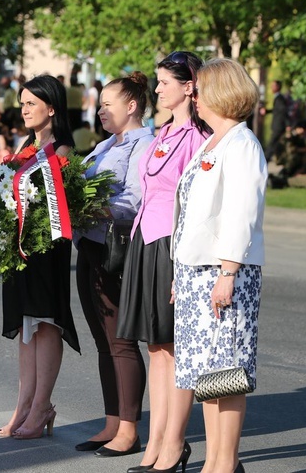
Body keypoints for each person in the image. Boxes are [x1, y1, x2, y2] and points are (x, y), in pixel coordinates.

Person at [116, 51, 210, 473]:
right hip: (145, 241)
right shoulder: (163, 133)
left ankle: (174, 444)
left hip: (174, 244)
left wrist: (186, 260)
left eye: (164, 82)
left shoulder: (199, 138)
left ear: (189, 86)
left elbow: (196, 203)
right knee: (155, 347)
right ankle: (155, 442)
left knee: (175, 348)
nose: (156, 89)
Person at [172, 58, 266, 473]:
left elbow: (241, 212)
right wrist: (181, 274)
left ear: (219, 92)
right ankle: (214, 461)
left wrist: (227, 273)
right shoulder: (214, 142)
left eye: (198, 87)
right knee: (207, 377)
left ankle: (224, 465)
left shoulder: (242, 143)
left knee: (226, 372)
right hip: (197, 273)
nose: (193, 94)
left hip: (223, 273)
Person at [73, 72, 152, 457]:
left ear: (131, 106)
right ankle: (110, 422)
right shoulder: (105, 145)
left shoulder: (144, 144)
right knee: (103, 342)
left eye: (108, 103)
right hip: (88, 247)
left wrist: (90, 206)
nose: (101, 109)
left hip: (114, 250)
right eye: (100, 103)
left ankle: (129, 430)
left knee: (121, 342)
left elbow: (136, 200)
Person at [0, 74, 80, 440]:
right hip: (21, 246)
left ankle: (42, 405)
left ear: (51, 107)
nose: (24, 109)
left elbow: (55, 201)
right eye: (22, 103)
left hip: (47, 248)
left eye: (31, 103)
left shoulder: (61, 150)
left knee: (45, 323)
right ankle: (24, 405)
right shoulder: (23, 145)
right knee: (26, 327)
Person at [265, 80, 289, 161]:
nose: (272, 87)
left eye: (274, 86)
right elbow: (277, 110)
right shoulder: (278, 98)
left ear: (278, 87)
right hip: (277, 125)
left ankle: (265, 160)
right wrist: (267, 111)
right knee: (275, 144)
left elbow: (283, 111)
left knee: (272, 144)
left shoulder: (280, 98)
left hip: (278, 125)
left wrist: (287, 124)